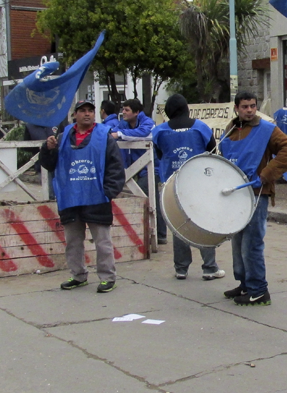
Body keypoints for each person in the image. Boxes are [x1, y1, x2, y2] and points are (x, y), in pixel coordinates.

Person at [39, 100, 125, 293]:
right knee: (73, 241)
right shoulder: (61, 138)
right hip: (71, 198)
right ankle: (78, 275)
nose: (87, 114)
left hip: (96, 198)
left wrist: (108, 192)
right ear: (75, 115)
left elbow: (116, 167)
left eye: (90, 111)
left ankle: (107, 277)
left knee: (102, 241)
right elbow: (49, 165)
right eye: (82, 111)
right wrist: (48, 149)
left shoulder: (104, 137)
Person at [219, 91, 287, 306]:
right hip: (235, 194)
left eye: (253, 106)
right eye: (245, 106)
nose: (250, 110)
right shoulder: (231, 131)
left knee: (252, 243)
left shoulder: (268, 130)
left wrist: (267, 173)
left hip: (256, 193)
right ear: (236, 108)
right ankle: (245, 283)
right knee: (238, 242)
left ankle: (259, 290)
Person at [152, 94, 225, 281]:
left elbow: (159, 154)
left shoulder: (159, 131)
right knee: (204, 224)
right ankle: (209, 268)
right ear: (187, 108)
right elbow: (212, 151)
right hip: (199, 183)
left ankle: (181, 268)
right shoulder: (200, 127)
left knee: (179, 225)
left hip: (172, 185)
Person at [111, 99, 167, 245]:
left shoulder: (148, 122)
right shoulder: (123, 124)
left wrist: (120, 134)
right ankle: (153, 233)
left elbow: (145, 133)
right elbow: (112, 132)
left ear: (136, 112)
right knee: (148, 197)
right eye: (123, 109)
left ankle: (157, 233)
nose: (123, 112)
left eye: (127, 110)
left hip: (151, 167)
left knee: (145, 195)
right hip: (134, 168)